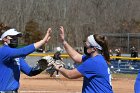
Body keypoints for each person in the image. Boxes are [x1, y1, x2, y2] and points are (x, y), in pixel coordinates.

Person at [54, 26, 113, 93]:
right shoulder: (97, 58)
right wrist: (64, 42)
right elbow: (76, 56)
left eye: (87, 44)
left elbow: (70, 75)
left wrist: (59, 67)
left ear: (94, 48)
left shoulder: (93, 62)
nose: (85, 45)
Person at [0, 26, 51, 92]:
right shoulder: (3, 51)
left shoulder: (17, 56)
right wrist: (42, 41)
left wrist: (41, 67)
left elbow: (29, 72)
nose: (15, 39)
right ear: (4, 39)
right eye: (12, 37)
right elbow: (23, 51)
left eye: (16, 37)